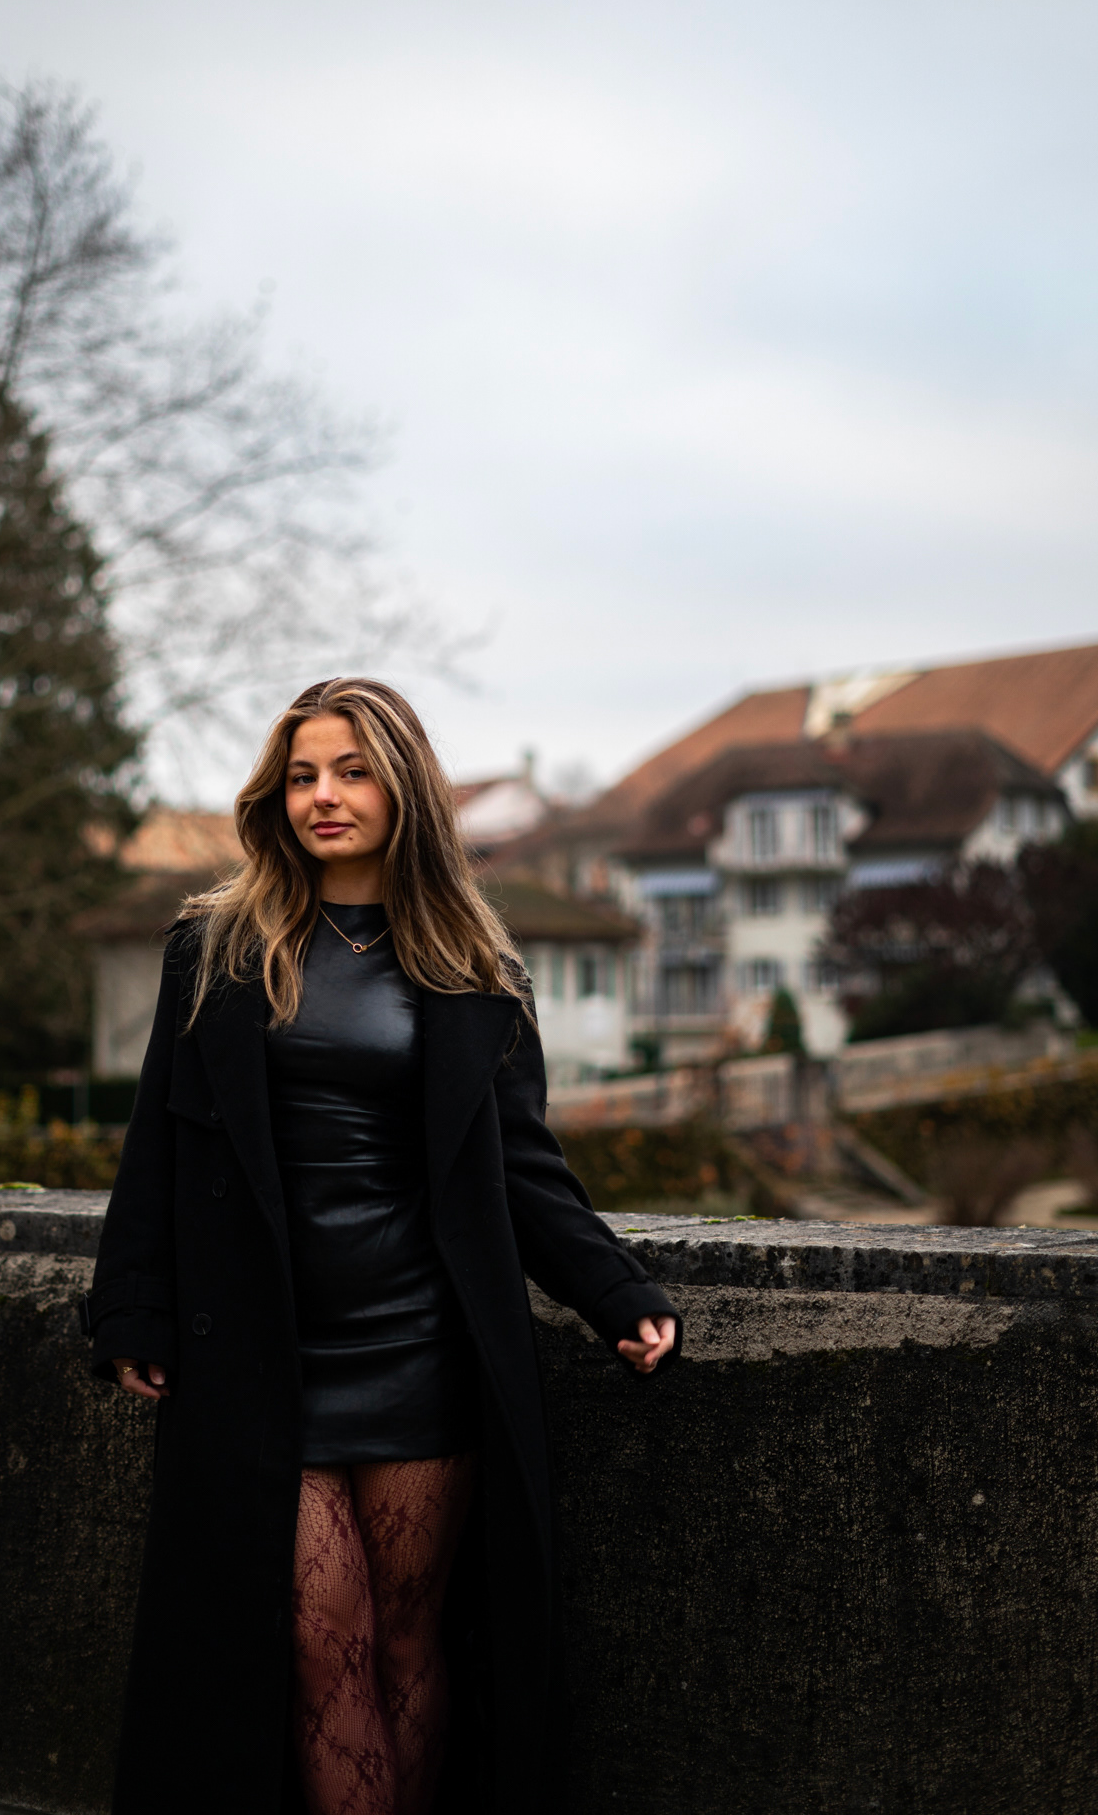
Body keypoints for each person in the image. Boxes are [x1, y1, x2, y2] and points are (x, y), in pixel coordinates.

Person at [82, 677, 680, 1815]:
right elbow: (155, 1138)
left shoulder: (473, 963)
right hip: (262, 1353)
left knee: (408, 1640)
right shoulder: (213, 948)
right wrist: (132, 1305)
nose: (325, 795)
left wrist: (616, 1291)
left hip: (420, 1345)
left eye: (352, 772)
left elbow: (522, 1166)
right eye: (303, 774)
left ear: (402, 788)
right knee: (325, 1644)